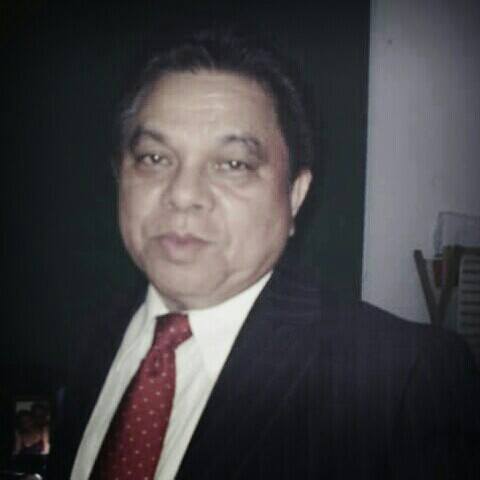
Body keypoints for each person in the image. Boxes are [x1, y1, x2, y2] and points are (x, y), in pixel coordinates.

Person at [49, 30, 479, 479]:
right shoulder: (88, 335)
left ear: (294, 196)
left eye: (233, 164)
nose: (182, 194)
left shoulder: (399, 380)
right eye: (154, 158)